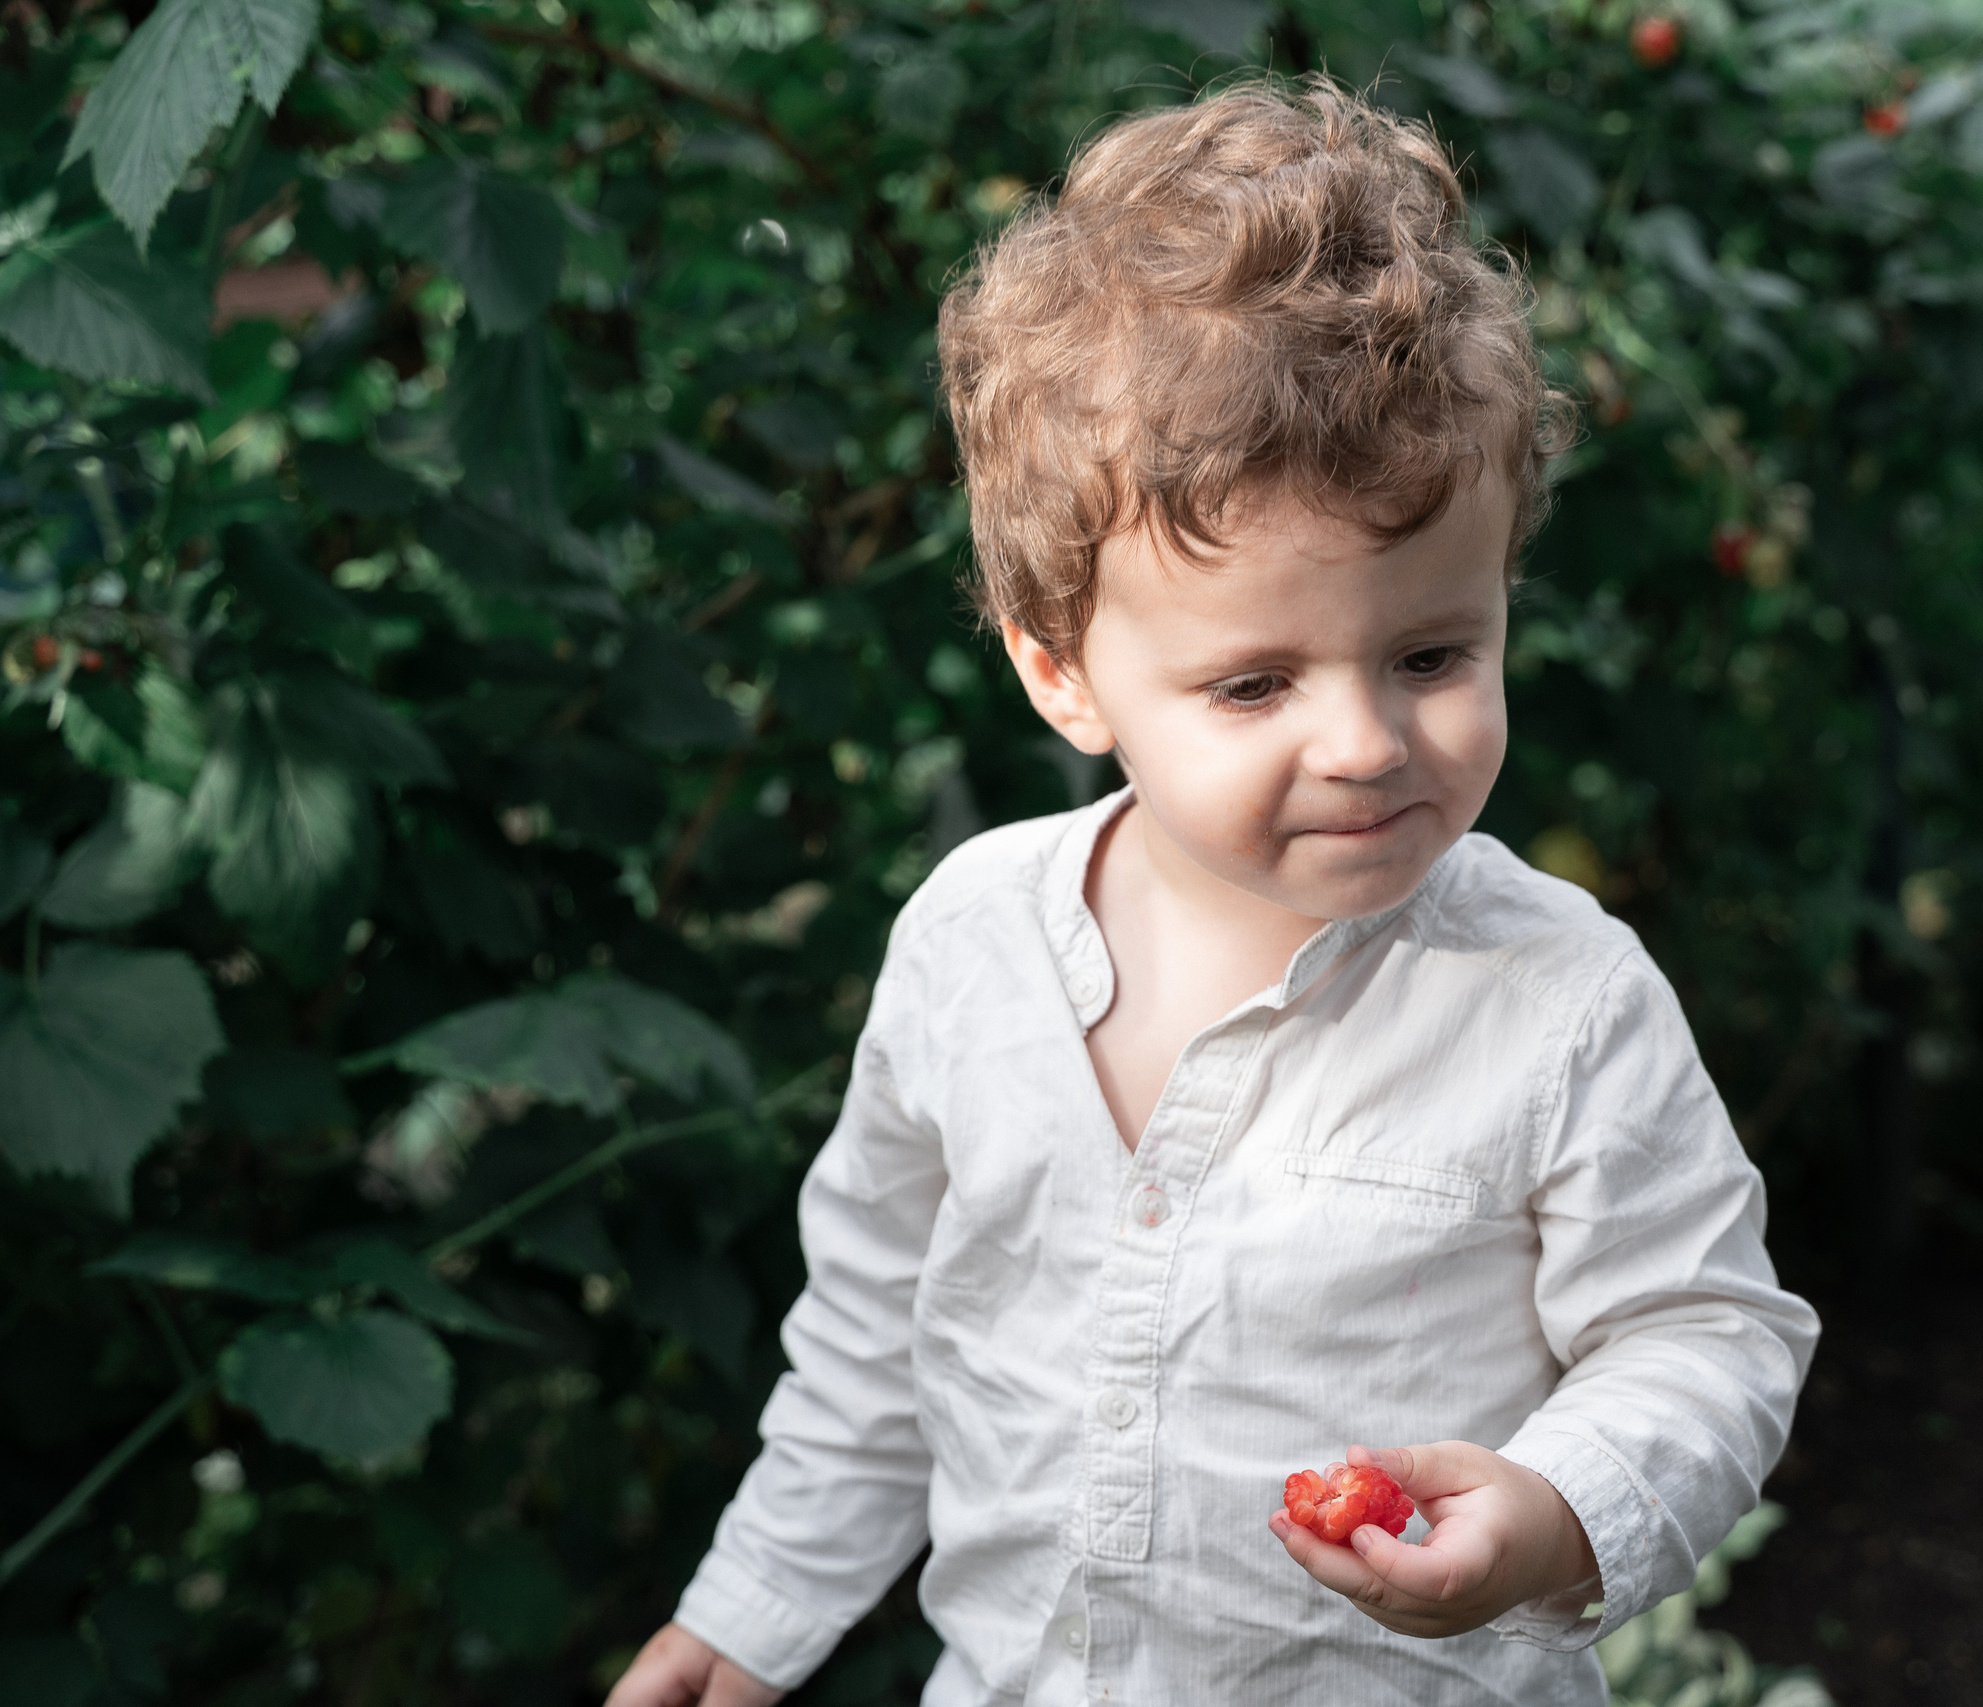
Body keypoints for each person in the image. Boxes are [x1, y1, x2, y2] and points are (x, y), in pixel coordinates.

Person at [605, 76, 1818, 1707]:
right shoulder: (970, 944)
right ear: (1062, 672)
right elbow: (886, 1333)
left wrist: (1548, 1514)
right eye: (1255, 686)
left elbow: (1707, 1333)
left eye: (1434, 653)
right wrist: (752, 1616)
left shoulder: (1558, 997)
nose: (1367, 742)